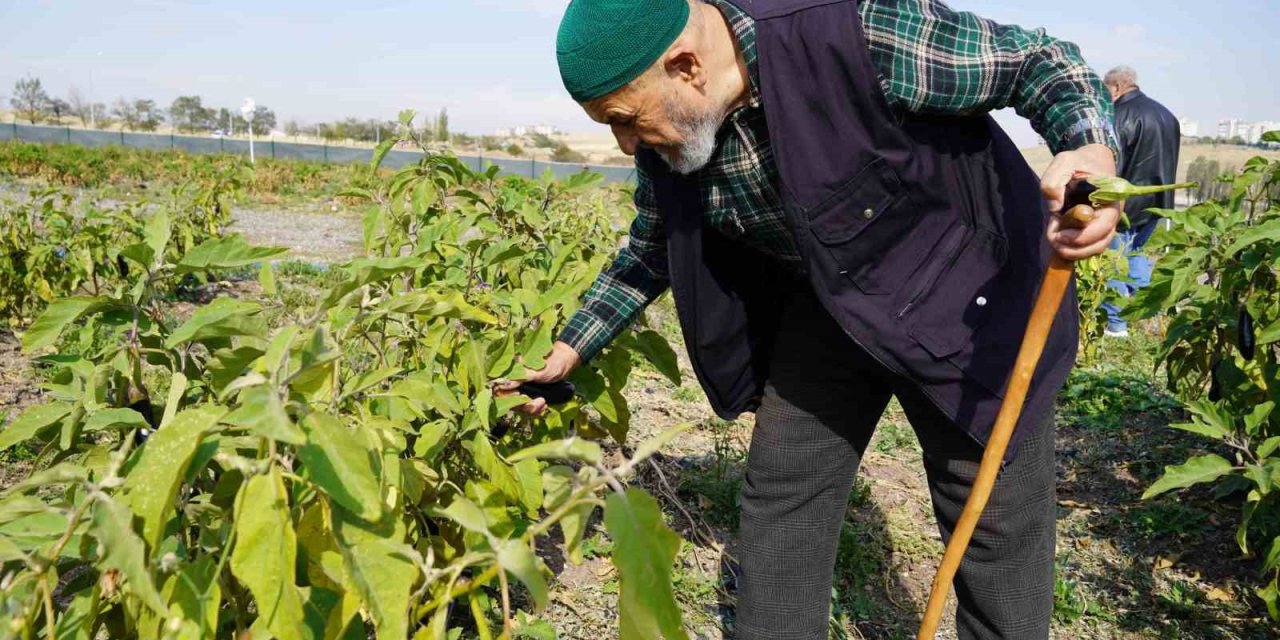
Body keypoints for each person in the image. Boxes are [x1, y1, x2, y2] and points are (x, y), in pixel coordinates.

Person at [503, 1, 1123, 637]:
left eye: (626, 121)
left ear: (686, 65)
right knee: (784, 495)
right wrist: (571, 348)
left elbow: (1041, 63)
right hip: (832, 300)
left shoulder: (854, 32)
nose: (626, 143)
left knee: (992, 518)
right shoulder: (677, 130)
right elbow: (651, 247)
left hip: (968, 297)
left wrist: (1092, 151)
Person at [1100, 65, 1182, 338]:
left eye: (1106, 90)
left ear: (1117, 87)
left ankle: (1117, 324)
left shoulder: (1119, 115)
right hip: (1158, 200)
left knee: (1113, 262)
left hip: (1126, 202)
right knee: (1136, 255)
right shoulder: (1166, 115)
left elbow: (1113, 163)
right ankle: (1147, 315)